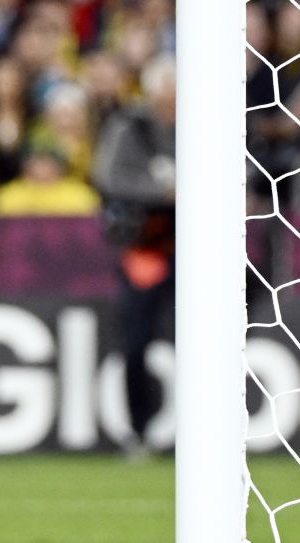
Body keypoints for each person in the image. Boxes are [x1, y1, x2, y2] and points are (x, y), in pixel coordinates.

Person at [91, 52, 174, 456]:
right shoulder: (131, 128)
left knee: (207, 343)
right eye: (170, 94)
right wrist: (164, 192)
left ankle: (204, 429)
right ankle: (139, 431)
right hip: (146, 251)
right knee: (137, 342)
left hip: (199, 255)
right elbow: (108, 178)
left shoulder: (207, 125)